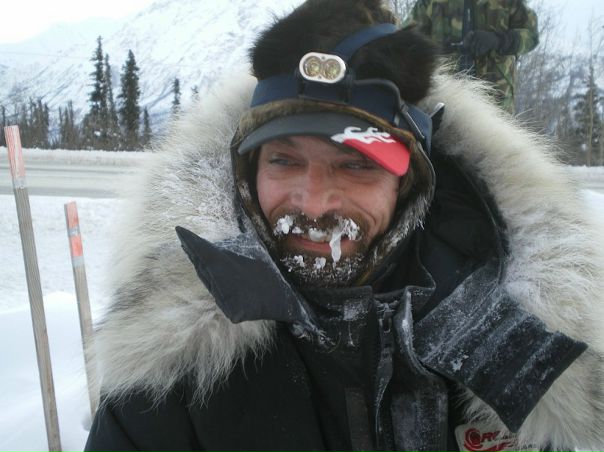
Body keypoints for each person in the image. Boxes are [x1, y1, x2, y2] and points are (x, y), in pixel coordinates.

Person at [84, 0, 604, 451]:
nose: (313, 203)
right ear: (245, 172)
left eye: (356, 165)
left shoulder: (508, 348)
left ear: (410, 184)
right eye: (284, 161)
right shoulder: (176, 361)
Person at [403, 0, 539, 113]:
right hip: (443, 96)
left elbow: (531, 35)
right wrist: (433, 47)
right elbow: (406, 38)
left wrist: (497, 40)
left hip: (495, 98)